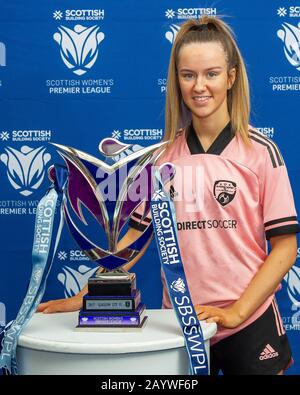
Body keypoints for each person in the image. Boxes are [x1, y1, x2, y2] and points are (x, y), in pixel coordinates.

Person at [38, 16, 299, 375]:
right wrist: (91, 292)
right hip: (181, 323)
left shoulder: (260, 152)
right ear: (176, 80)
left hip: (250, 322)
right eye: (188, 74)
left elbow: (285, 246)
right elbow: (135, 237)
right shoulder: (162, 159)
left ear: (231, 77)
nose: (199, 86)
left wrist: (237, 311)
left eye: (211, 73)